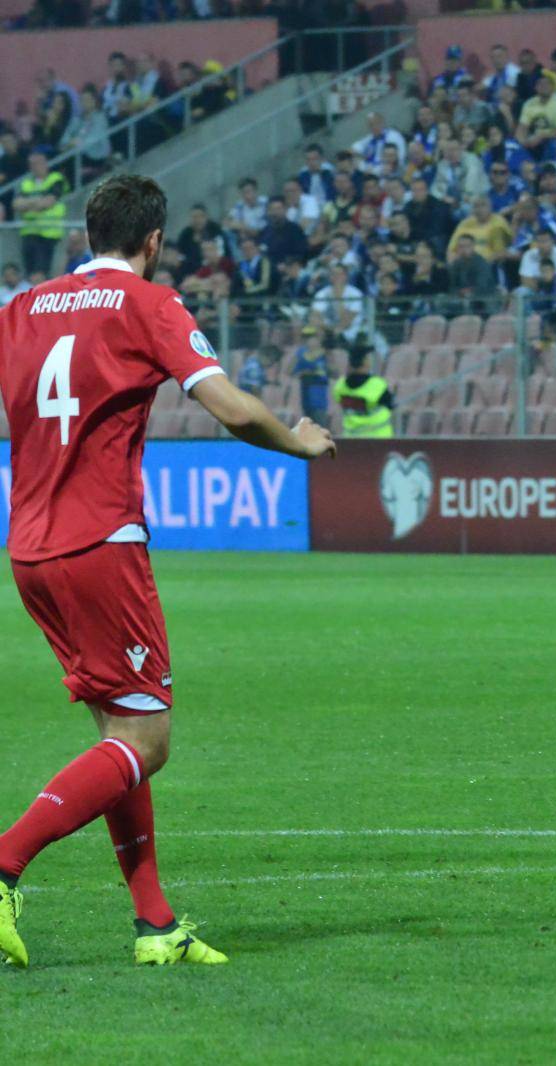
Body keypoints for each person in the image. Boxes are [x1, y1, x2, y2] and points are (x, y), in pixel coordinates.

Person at [0, 175, 335, 968]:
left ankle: (155, 926)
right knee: (146, 741)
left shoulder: (19, 309)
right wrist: (299, 442)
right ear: (153, 242)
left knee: (120, 734)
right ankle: (5, 863)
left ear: (87, 232)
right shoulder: (147, 304)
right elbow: (232, 408)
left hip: (31, 548)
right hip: (100, 544)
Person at [334, 347, 395, 438]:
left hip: (351, 438)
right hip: (379, 437)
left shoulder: (340, 386)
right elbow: (391, 405)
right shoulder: (377, 385)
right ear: (366, 362)